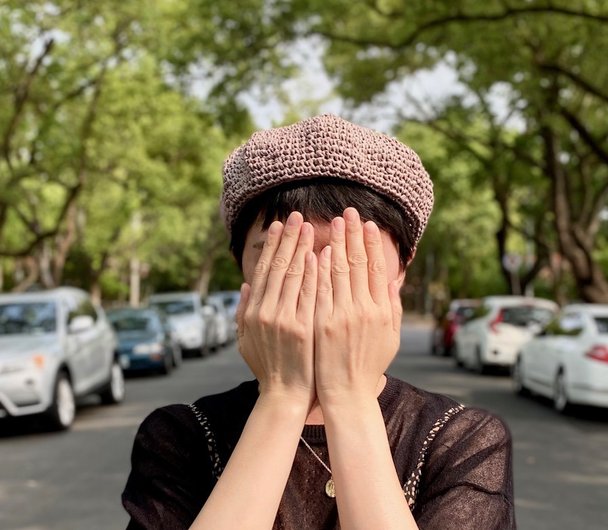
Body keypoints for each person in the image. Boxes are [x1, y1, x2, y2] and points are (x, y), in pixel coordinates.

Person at [122, 115, 516, 529]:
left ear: (401, 269)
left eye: (344, 257)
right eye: (284, 257)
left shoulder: (462, 442)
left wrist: (348, 395)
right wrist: (284, 396)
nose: (311, 283)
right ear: (243, 267)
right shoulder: (180, 438)